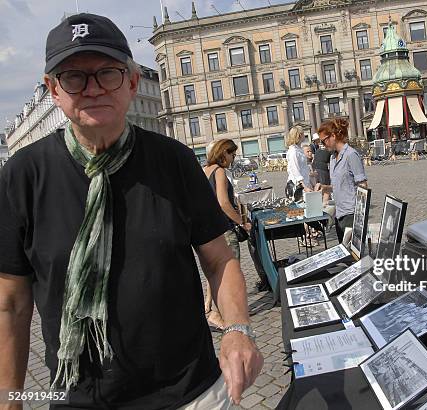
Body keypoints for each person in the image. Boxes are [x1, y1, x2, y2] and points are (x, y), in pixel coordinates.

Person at [0, 13, 263, 409]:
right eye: (73, 77)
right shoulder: (23, 175)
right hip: (80, 400)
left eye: (107, 73)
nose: (92, 89)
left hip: (192, 393)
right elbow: (11, 303)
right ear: (53, 90)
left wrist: (238, 328)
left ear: (132, 81)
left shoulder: (174, 161)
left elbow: (220, 259)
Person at [203, 139, 252, 330]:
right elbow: (223, 202)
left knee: (214, 272)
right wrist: (242, 221)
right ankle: (227, 314)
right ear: (224, 153)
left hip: (210, 230)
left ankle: (208, 309)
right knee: (229, 273)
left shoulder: (205, 170)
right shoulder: (220, 172)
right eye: (232, 154)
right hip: (224, 229)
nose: (233, 159)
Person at [317, 118, 368, 243]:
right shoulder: (333, 158)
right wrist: (325, 187)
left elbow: (363, 185)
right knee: (345, 255)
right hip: (339, 213)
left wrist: (360, 216)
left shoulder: (351, 155)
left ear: (333, 136)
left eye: (324, 141)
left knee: (354, 256)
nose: (323, 145)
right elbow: (339, 185)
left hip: (351, 213)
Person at [285, 125, 312, 199]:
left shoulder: (298, 150)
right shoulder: (293, 151)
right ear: (300, 135)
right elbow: (295, 170)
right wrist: (304, 187)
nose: (304, 135)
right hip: (298, 186)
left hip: (304, 184)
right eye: (303, 133)